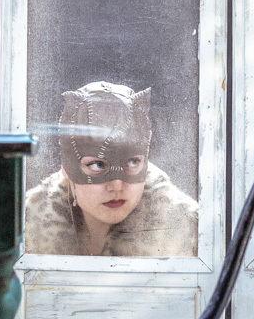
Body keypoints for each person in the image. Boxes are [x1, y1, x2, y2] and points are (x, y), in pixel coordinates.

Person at [24, 81, 198, 257]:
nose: (116, 186)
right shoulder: (23, 230)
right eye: (97, 165)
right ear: (66, 169)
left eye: (132, 162)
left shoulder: (191, 233)